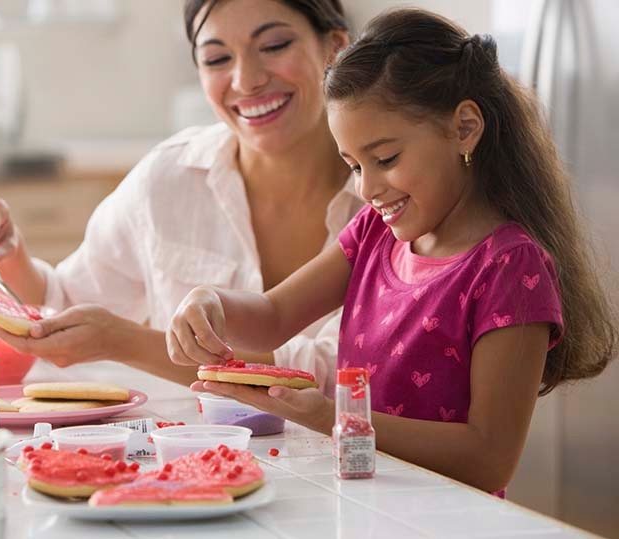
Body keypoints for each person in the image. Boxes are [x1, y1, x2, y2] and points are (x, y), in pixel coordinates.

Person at [167, 7, 616, 493]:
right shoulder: (373, 234)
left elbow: (488, 459)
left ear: (465, 128)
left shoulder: (510, 267)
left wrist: (332, 417)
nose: (367, 188)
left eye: (385, 159)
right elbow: (274, 315)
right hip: (362, 503)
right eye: (355, 166)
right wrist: (209, 302)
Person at [0, 0, 362, 388]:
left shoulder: (387, 201)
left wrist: (126, 343)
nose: (246, 80)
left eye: (274, 45)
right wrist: (10, 257)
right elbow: (63, 310)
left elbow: (328, 373)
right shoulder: (168, 179)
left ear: (335, 48)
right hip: (188, 455)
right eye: (217, 58)